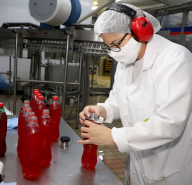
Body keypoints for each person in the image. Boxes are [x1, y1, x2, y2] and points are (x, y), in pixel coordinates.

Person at [78, 3, 192, 185]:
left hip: (169, 169)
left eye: (116, 44)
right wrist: (102, 109)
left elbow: (170, 122)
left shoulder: (175, 60)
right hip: (137, 164)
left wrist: (113, 137)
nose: (114, 53)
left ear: (140, 31)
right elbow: (118, 98)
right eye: (108, 47)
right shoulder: (126, 61)